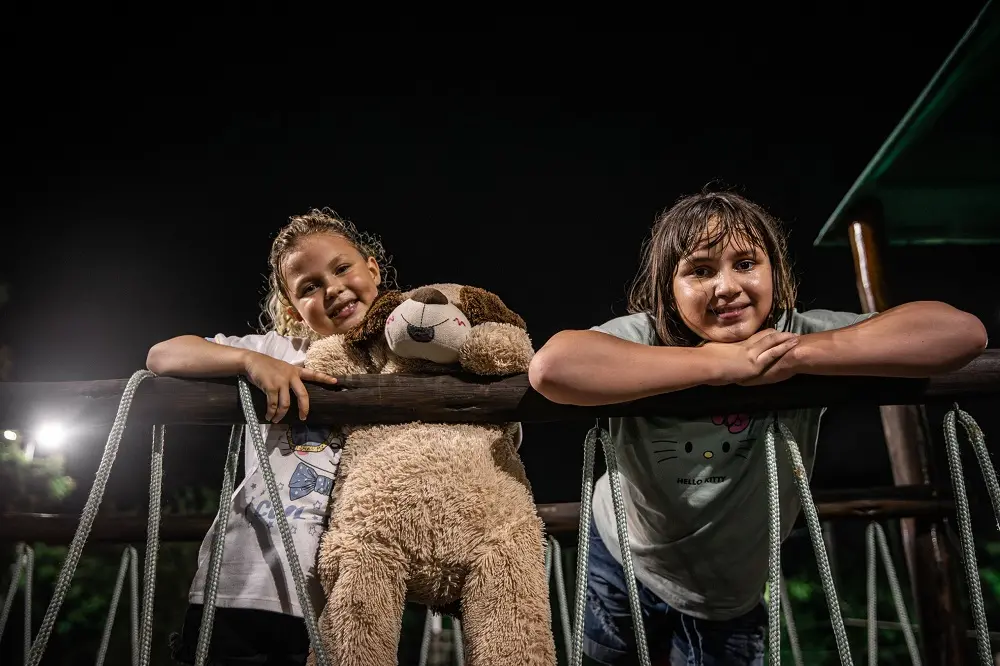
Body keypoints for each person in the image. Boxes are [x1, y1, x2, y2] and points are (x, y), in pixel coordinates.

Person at [528, 190, 987, 666]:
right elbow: (552, 368)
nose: (726, 287)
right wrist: (719, 364)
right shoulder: (647, 335)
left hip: (726, 594)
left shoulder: (795, 332)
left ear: (774, 272)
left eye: (745, 264)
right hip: (619, 551)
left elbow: (962, 333)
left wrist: (797, 355)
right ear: (668, 288)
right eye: (700, 271)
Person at [147, 208, 394, 666]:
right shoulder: (281, 351)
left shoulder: (405, 363)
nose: (332, 289)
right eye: (309, 287)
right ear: (293, 309)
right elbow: (162, 355)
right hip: (237, 587)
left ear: (373, 269)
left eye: (342, 268)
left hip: (342, 604)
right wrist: (250, 362)